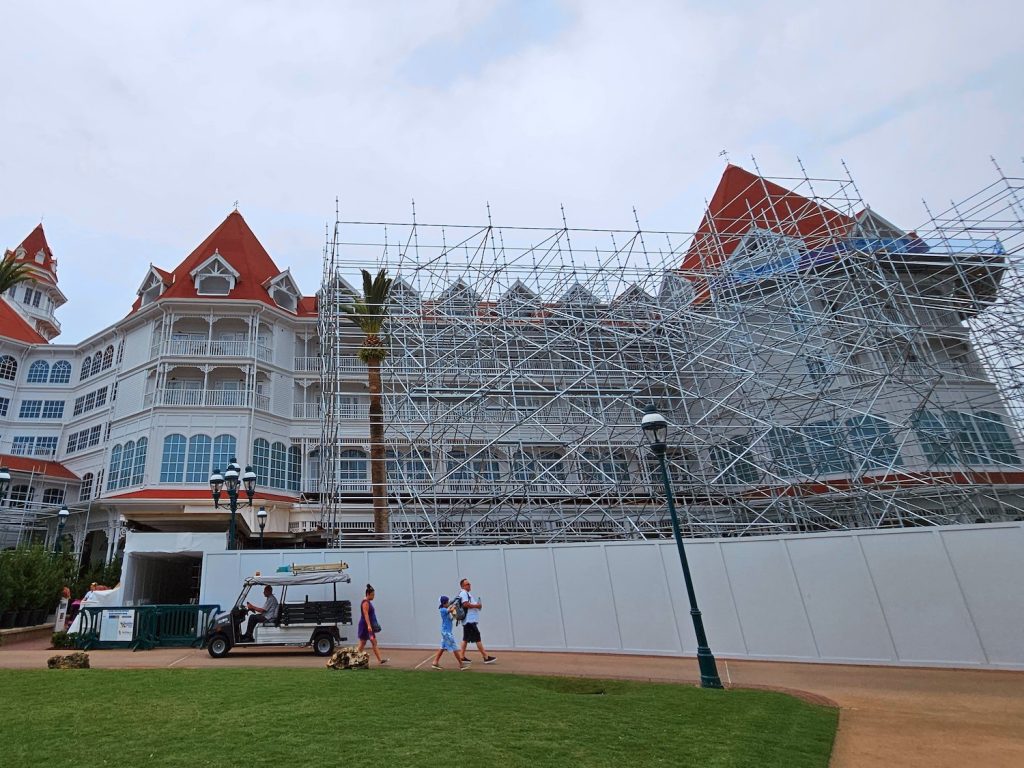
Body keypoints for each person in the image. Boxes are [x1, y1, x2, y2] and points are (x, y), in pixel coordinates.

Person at [457, 577, 496, 664]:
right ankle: (485, 657)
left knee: (465, 638)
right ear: (463, 586)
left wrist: (476, 606)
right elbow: (465, 604)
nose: (469, 585)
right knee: (477, 637)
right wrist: (477, 606)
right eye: (467, 584)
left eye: (469, 584)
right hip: (469, 620)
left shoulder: (466, 593)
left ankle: (462, 657)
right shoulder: (464, 593)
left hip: (469, 620)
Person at [356, 584, 388, 665]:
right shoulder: (365, 603)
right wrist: (369, 626)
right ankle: (354, 658)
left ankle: (380, 660)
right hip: (365, 626)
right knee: (362, 643)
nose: (374, 596)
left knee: (374, 642)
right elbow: (366, 614)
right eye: (372, 595)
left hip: (369, 627)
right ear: (368, 594)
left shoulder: (368, 602)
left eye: (374, 594)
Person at [431, 596, 463, 670]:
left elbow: (453, 617)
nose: (448, 603)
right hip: (446, 633)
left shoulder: (446, 609)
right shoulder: (443, 610)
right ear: (444, 603)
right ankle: (461, 664)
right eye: (447, 602)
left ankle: (435, 662)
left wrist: (456, 613)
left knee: (442, 647)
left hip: (446, 632)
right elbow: (450, 610)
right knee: (454, 647)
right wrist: (455, 605)